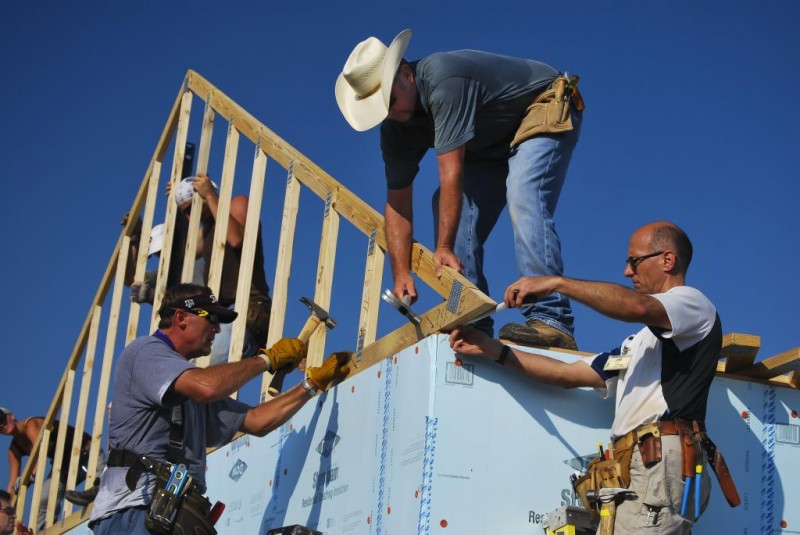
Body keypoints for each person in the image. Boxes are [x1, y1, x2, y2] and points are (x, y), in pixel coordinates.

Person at [448, 221, 739, 533]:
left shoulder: (693, 304)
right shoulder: (637, 344)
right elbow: (568, 374)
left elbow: (638, 307)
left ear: (668, 260)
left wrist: (555, 284)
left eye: (634, 261)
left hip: (656, 463)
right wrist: (494, 349)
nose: (628, 272)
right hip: (634, 469)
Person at [336, 29, 584, 348]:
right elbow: (397, 203)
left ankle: (552, 318)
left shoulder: (443, 80)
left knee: (523, 193)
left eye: (391, 100)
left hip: (540, 106)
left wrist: (443, 248)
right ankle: (473, 320)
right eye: (381, 110)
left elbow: (451, 171)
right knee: (451, 208)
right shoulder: (395, 130)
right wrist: (400, 272)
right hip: (489, 146)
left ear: (407, 74)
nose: (391, 113)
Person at [89, 283, 349, 534]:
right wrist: (267, 359)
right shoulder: (145, 352)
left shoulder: (188, 385)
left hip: (171, 514)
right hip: (133, 509)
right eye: (211, 318)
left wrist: (311, 385)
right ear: (181, 317)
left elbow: (258, 421)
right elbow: (207, 386)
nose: (216, 328)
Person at [169, 174, 273, 364]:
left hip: (250, 308)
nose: (191, 216)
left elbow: (236, 239)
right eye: (185, 211)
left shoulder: (237, 204)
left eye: (193, 206)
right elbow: (181, 253)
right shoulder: (205, 232)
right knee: (184, 361)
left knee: (205, 366)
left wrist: (209, 195)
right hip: (222, 316)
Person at [1, 408, 105, 530]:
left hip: (86, 452)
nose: (1, 425)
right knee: (43, 500)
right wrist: (8, 506)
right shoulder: (14, 450)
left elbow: (40, 454)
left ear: (11, 415)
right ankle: (42, 531)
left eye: (1, 418)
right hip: (64, 466)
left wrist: (29, 477)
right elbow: (12, 482)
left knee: (103, 485)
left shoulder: (31, 424)